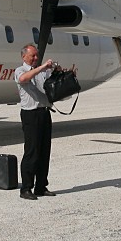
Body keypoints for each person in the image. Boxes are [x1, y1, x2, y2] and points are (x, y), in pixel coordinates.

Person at [14, 43, 72, 200]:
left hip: (44, 112)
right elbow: (23, 79)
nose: (35, 58)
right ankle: (26, 188)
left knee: (44, 151)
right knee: (32, 151)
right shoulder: (20, 70)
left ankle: (41, 186)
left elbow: (52, 84)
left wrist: (59, 72)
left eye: (37, 56)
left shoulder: (41, 71)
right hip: (30, 114)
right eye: (32, 55)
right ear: (24, 56)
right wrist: (42, 67)